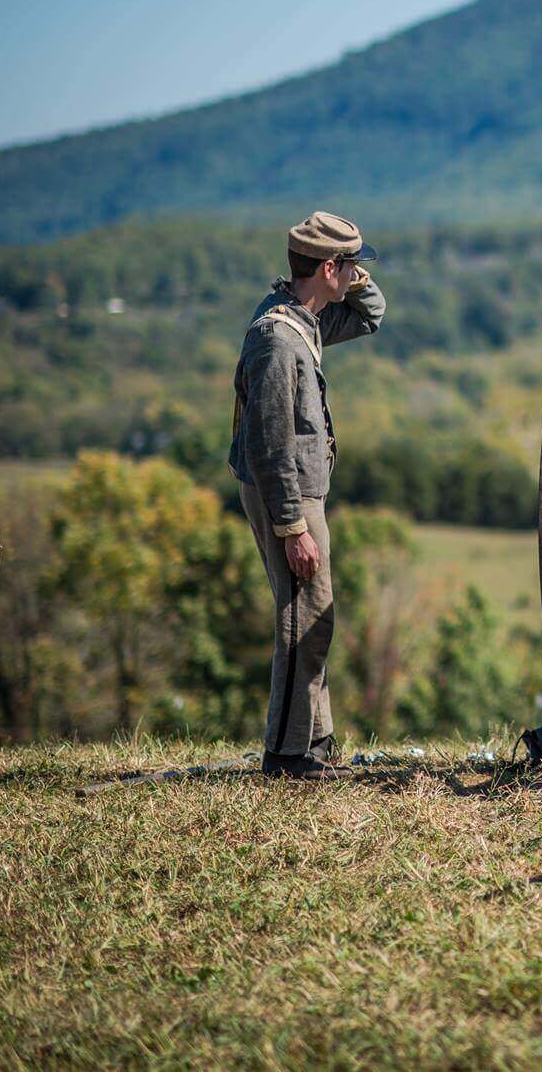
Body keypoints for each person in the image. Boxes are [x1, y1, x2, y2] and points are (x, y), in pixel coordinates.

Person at [230, 213, 386, 780]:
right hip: (286, 494)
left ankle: (312, 742)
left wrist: (354, 278)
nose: (355, 275)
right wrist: (292, 527)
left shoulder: (302, 316)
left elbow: (371, 318)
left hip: (297, 490)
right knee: (304, 619)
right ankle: (289, 753)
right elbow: (267, 441)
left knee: (314, 612)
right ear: (327, 268)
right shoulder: (276, 339)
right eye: (349, 266)